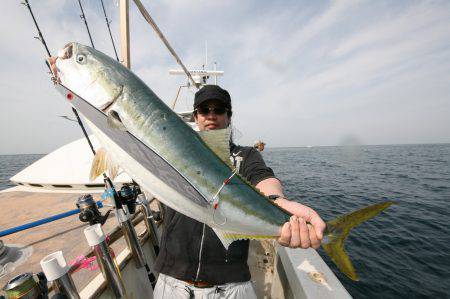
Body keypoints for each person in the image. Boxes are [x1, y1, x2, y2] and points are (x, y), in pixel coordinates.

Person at [153, 85, 326, 298]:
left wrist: (276, 200)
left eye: (219, 110)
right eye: (205, 110)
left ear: (229, 116)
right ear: (196, 116)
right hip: (172, 282)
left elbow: (263, 177)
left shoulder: (246, 155)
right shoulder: (175, 150)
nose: (211, 116)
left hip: (231, 286)